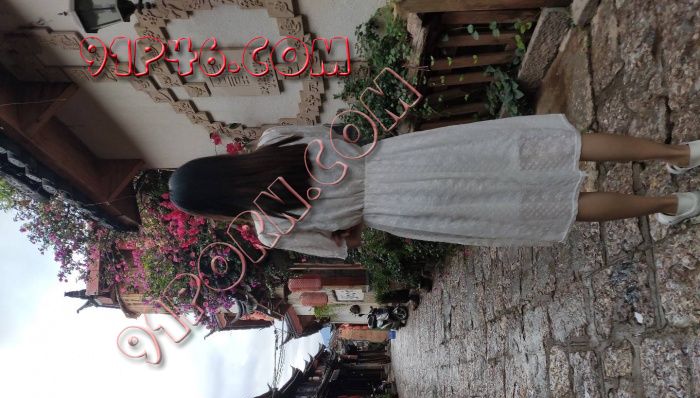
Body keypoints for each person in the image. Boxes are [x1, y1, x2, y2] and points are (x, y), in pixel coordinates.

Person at [169, 115, 699, 260]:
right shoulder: (274, 140)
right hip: (407, 155)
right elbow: (342, 134)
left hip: (409, 208)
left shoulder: (270, 229)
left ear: (215, 206)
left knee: (553, 206)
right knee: (547, 146)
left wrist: (347, 214)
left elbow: (345, 242)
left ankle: (673, 202)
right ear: (214, 163)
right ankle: (681, 154)